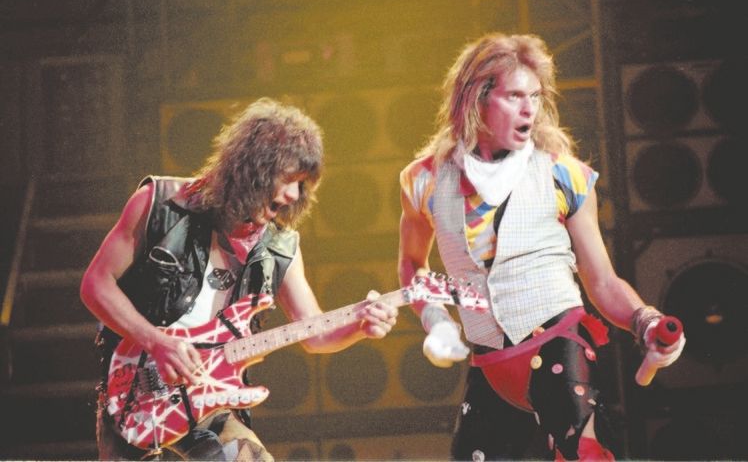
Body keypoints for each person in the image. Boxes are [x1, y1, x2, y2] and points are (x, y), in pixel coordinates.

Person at [397, 33, 685, 461]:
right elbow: (412, 264)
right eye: (514, 96)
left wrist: (645, 321)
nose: (529, 108)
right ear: (476, 98)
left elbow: (602, 281)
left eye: (534, 96)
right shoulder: (424, 181)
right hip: (489, 365)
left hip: (558, 345)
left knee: (584, 453)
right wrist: (435, 319)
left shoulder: (564, 176)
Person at [81, 97, 399, 461]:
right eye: (289, 179)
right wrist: (156, 342)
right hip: (136, 392)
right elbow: (96, 284)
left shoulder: (280, 247)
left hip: (212, 399)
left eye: (302, 185)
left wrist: (360, 325)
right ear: (252, 167)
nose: (293, 195)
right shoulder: (161, 204)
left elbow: (314, 333)